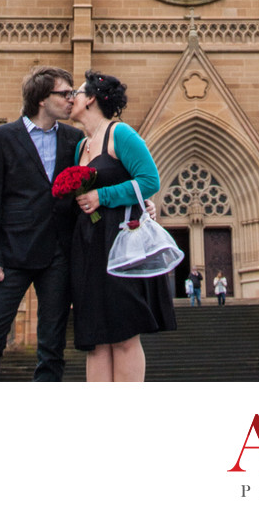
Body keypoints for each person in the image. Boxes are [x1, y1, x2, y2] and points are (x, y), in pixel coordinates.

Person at [0, 66, 82, 381]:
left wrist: (141, 201)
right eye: (65, 93)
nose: (71, 100)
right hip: (11, 257)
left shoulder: (74, 139)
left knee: (52, 346)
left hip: (57, 256)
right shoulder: (0, 138)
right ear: (42, 99)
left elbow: (93, 182)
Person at [71, 70, 176, 381]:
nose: (71, 99)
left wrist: (102, 196)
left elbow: (150, 180)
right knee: (96, 340)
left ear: (90, 99)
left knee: (124, 336)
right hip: (89, 245)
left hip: (120, 243)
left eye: (76, 93)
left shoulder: (121, 134)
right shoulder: (81, 147)